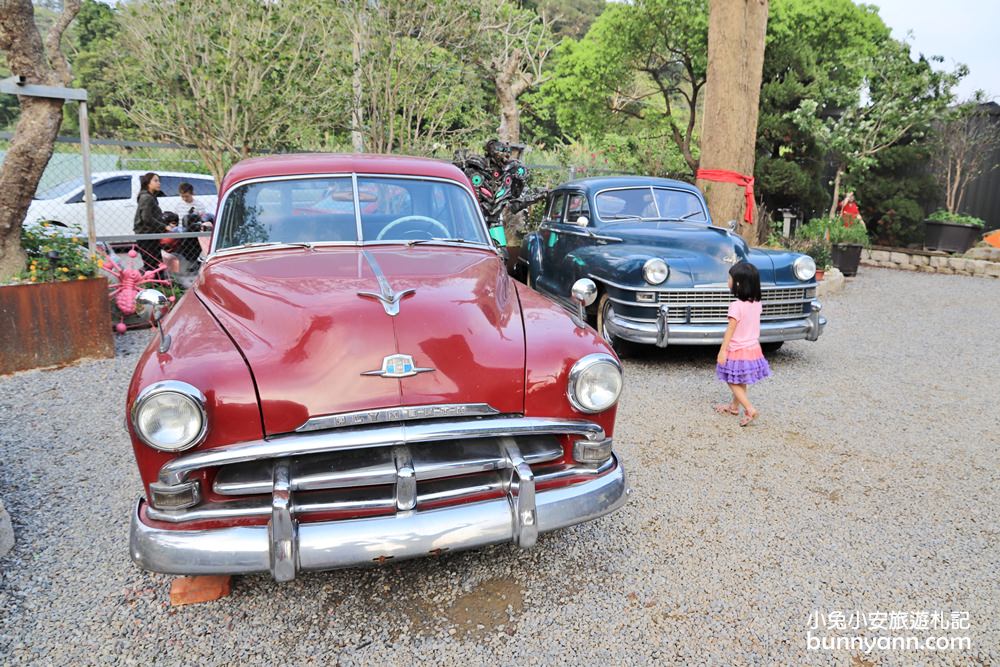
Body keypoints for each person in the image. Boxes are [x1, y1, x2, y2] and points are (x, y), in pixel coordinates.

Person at [714, 262, 771, 426]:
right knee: (741, 378)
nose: (728, 281)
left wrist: (722, 351)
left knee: (731, 379)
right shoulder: (757, 304)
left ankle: (749, 408)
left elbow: (730, 330)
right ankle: (733, 407)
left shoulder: (736, 306)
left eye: (729, 278)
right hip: (752, 348)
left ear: (738, 283)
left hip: (738, 349)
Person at [133, 172, 167, 273]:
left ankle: (157, 284)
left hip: (151, 234)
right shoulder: (146, 197)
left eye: (159, 181)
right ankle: (153, 285)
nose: (159, 183)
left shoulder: (151, 197)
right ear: (148, 183)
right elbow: (146, 218)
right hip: (146, 235)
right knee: (152, 264)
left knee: (154, 263)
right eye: (155, 181)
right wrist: (164, 227)